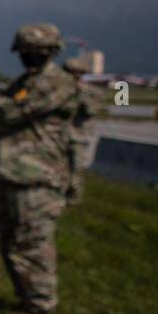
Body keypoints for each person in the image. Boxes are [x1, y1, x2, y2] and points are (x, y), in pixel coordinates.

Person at [0, 24, 77, 314]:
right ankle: (27, 298)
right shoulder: (23, 83)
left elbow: (7, 112)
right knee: (11, 241)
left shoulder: (58, 83)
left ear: (50, 52)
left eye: (33, 51)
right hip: (13, 176)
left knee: (32, 242)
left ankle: (39, 309)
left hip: (40, 178)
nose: (28, 56)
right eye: (24, 51)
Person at [62, 56, 105, 206]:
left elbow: (91, 110)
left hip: (79, 138)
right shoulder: (59, 91)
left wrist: (80, 94)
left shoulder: (91, 92)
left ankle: (73, 199)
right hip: (59, 137)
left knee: (76, 171)